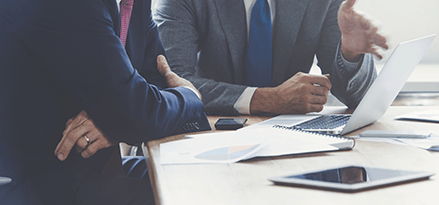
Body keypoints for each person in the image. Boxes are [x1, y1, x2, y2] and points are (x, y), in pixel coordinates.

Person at [0, 0, 210, 204]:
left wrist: (119, 118)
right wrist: (191, 96)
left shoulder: (135, 3)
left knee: (199, 177)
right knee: (188, 197)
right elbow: (140, 112)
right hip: (27, 179)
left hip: (80, 168)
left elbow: (156, 86)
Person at [153, 0, 388, 115]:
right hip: (206, 135)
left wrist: (350, 53)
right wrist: (266, 99)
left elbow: (359, 101)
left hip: (290, 143)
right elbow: (173, 81)